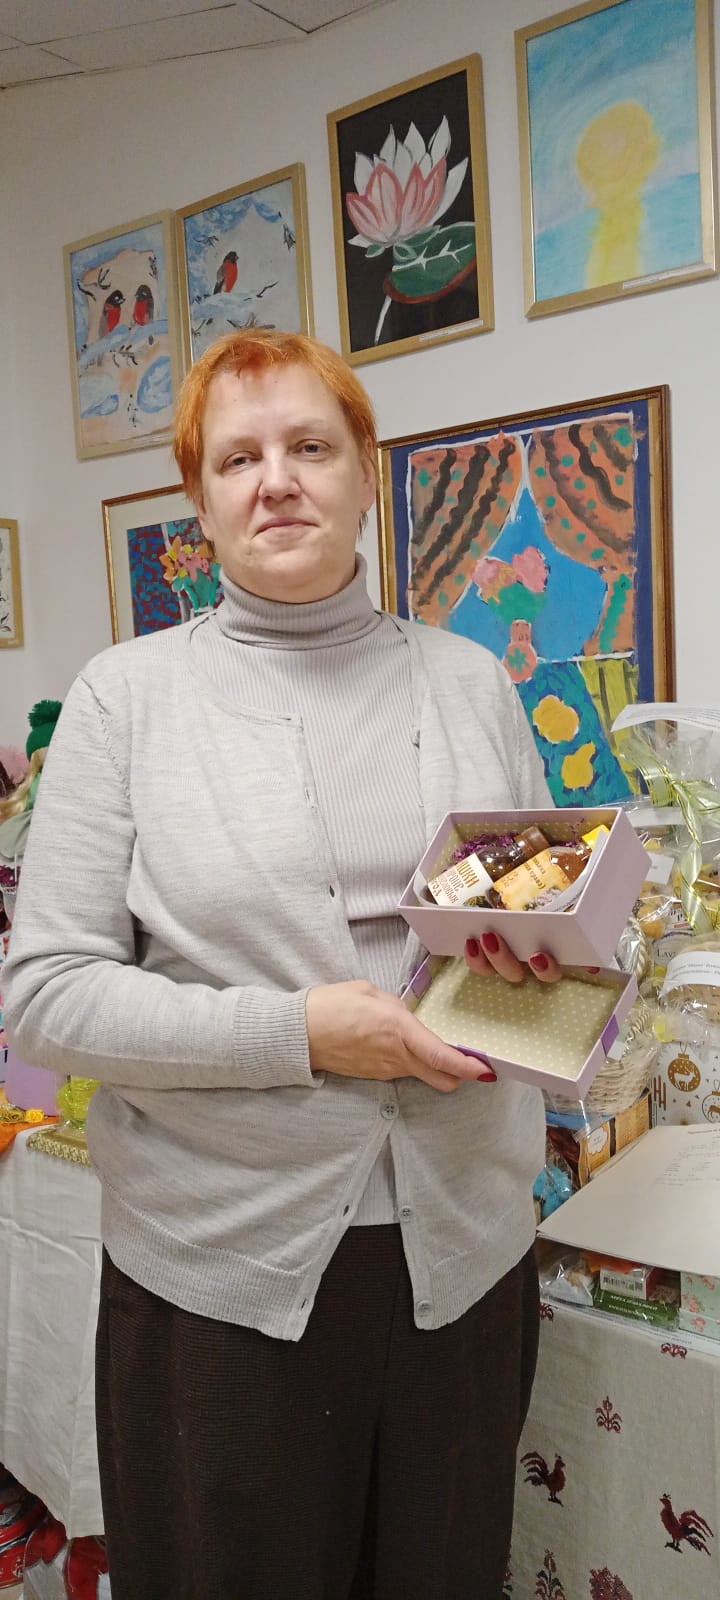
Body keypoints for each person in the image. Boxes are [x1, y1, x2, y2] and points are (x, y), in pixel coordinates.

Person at [4, 330, 561, 1600]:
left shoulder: (473, 683)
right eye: (237, 458)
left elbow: (526, 929)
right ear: (199, 501)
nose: (277, 481)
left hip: (466, 1252)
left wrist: (557, 980)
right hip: (223, 1284)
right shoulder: (125, 701)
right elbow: (46, 996)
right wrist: (304, 1031)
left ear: (366, 471)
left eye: (310, 446)